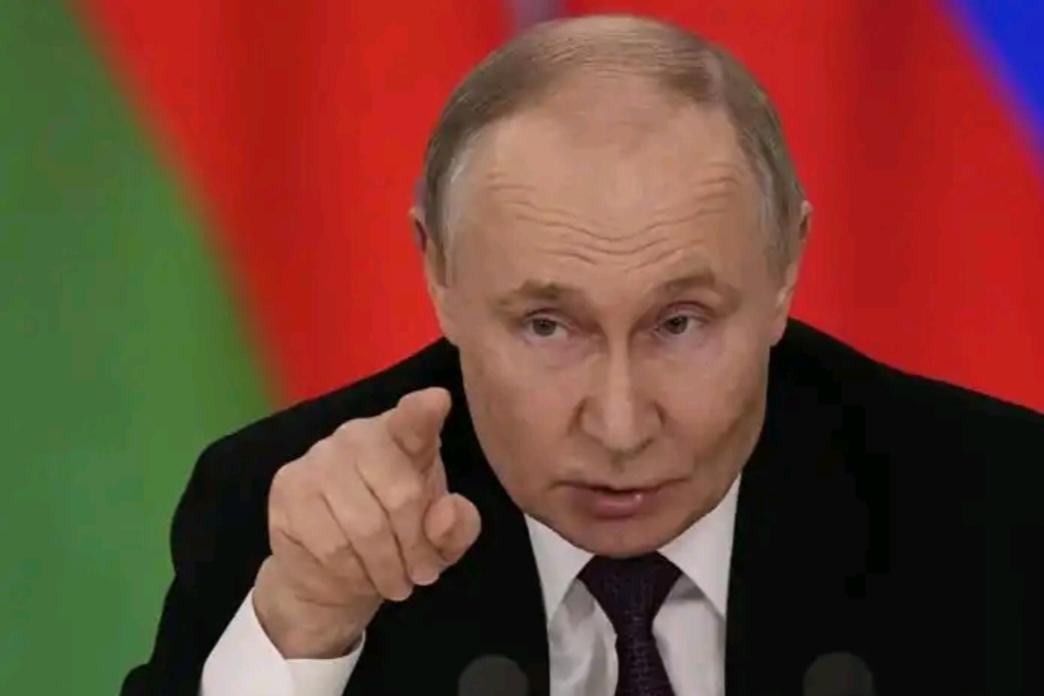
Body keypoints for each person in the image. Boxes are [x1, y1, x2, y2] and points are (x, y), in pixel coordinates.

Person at [122, 14, 1042, 696]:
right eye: (546, 327)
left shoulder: (1001, 507)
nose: (620, 425)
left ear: (785, 269)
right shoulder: (288, 523)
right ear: (439, 271)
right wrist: (307, 628)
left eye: (680, 323)